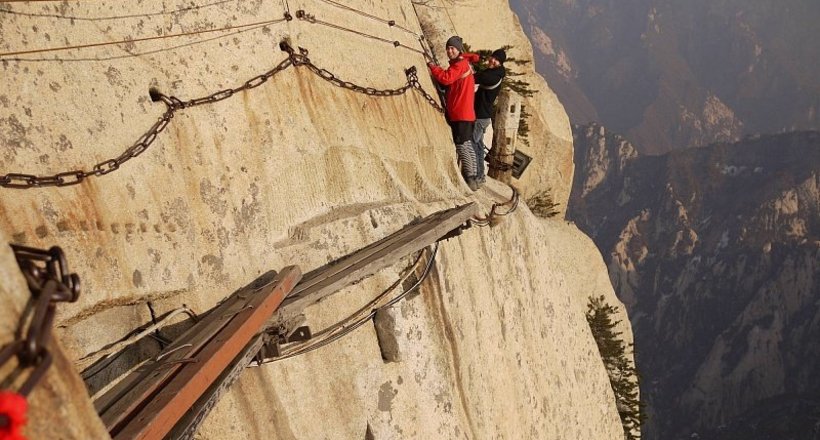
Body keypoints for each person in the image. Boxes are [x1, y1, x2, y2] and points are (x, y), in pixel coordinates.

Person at [427, 36, 481, 191]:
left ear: (458, 50)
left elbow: (445, 78)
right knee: (468, 145)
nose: (450, 51)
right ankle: (475, 177)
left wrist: (432, 67)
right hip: (467, 113)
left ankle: (470, 178)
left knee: (462, 146)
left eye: (453, 48)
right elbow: (472, 56)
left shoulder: (459, 65)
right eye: (448, 48)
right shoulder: (464, 61)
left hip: (460, 113)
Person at [472, 49, 507, 185]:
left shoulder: (492, 76)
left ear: (500, 63)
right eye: (493, 57)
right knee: (479, 147)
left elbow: (474, 78)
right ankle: (480, 176)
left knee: (473, 146)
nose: (493, 60)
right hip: (484, 117)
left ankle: (477, 177)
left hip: (480, 117)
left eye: (496, 60)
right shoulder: (496, 73)